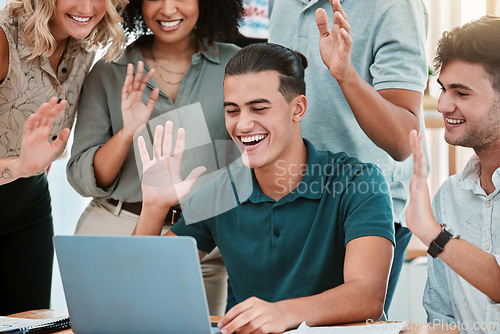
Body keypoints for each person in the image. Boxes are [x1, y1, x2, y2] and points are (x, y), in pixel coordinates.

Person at [134, 43, 395, 333]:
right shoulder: (218, 191)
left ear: (297, 108)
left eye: (259, 108)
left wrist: (283, 314)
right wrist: (154, 207)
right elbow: (145, 287)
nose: (243, 124)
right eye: (232, 111)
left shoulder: (359, 182)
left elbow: (367, 296)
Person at [66, 0, 243, 316]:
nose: (168, 8)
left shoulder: (237, 65)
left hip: (200, 241)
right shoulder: (109, 69)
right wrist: (127, 133)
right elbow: (84, 177)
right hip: (116, 230)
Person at [267, 0, 428, 314]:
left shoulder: (395, 7)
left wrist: (346, 75)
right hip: (287, 200)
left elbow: (402, 140)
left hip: (360, 207)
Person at [0, 0, 127, 315]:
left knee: (31, 321)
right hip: (15, 179)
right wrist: (17, 166)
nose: (87, 6)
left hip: (28, 207)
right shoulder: (4, 39)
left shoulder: (84, 43)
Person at [406, 16, 500, 333]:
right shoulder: (449, 197)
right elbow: (441, 316)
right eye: (443, 89)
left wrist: (435, 234)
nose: (443, 104)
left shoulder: (436, 226)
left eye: (461, 93)